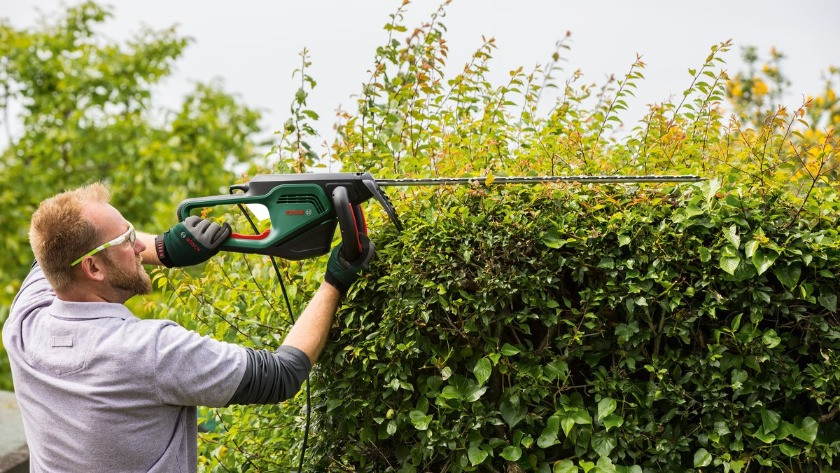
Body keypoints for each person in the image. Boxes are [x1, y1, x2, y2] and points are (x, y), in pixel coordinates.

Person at [2, 182, 374, 472]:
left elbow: (51, 251)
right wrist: (335, 281)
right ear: (93, 269)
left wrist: (164, 248)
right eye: (126, 241)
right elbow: (279, 374)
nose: (138, 246)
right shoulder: (147, 350)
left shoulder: (23, 325)